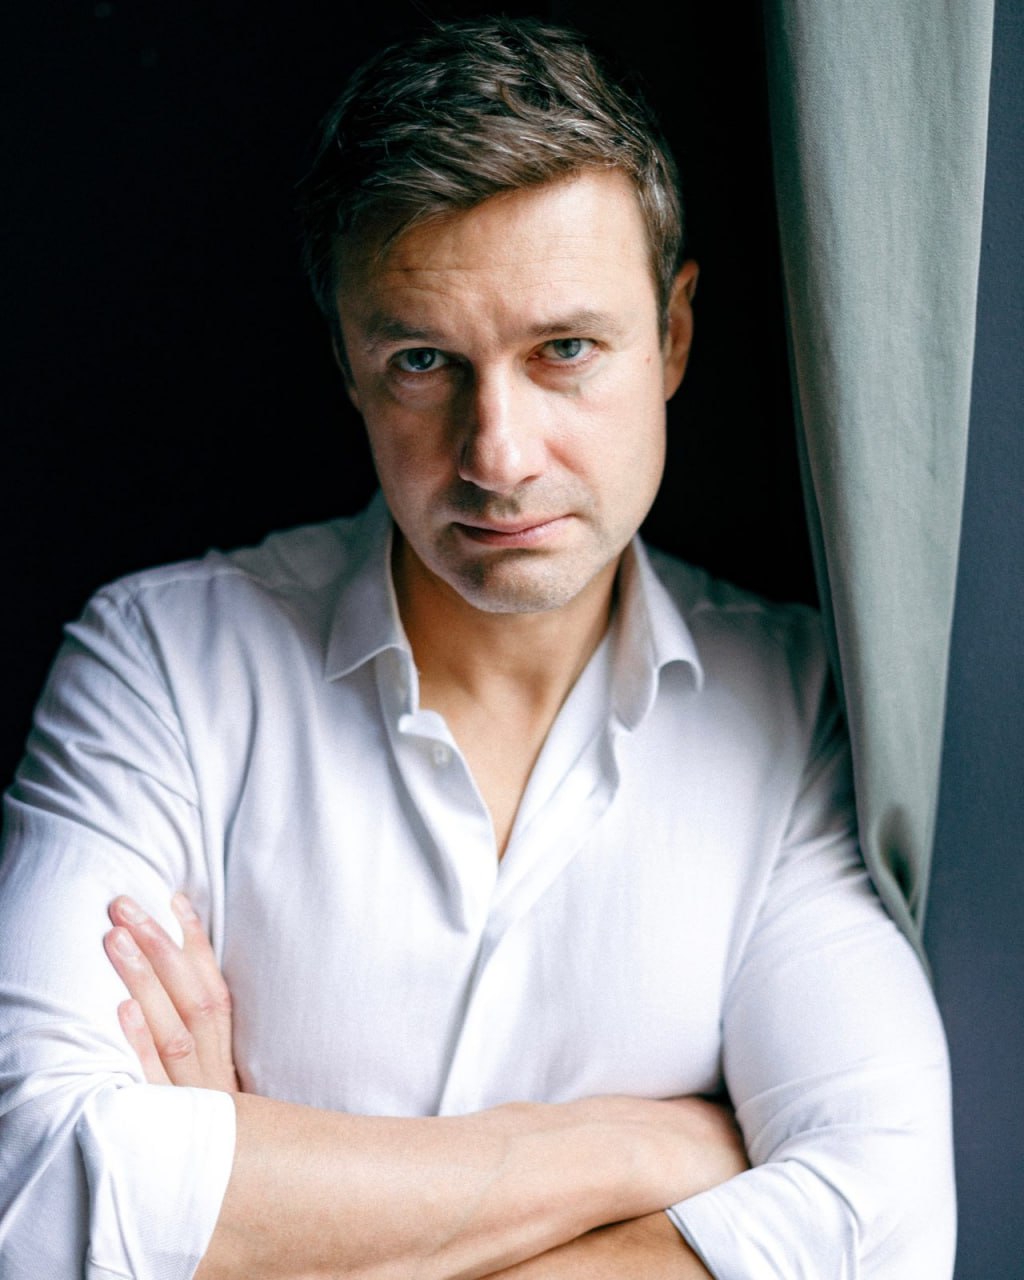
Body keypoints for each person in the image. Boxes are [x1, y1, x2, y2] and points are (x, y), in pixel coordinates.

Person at [0, 17, 955, 1279]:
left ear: (672, 336)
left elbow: (886, 1227)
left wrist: (241, 1206)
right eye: (422, 361)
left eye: (565, 350)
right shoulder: (162, 666)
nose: (497, 455)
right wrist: (633, 1148)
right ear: (349, 364)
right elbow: (32, 1193)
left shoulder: (797, 705)